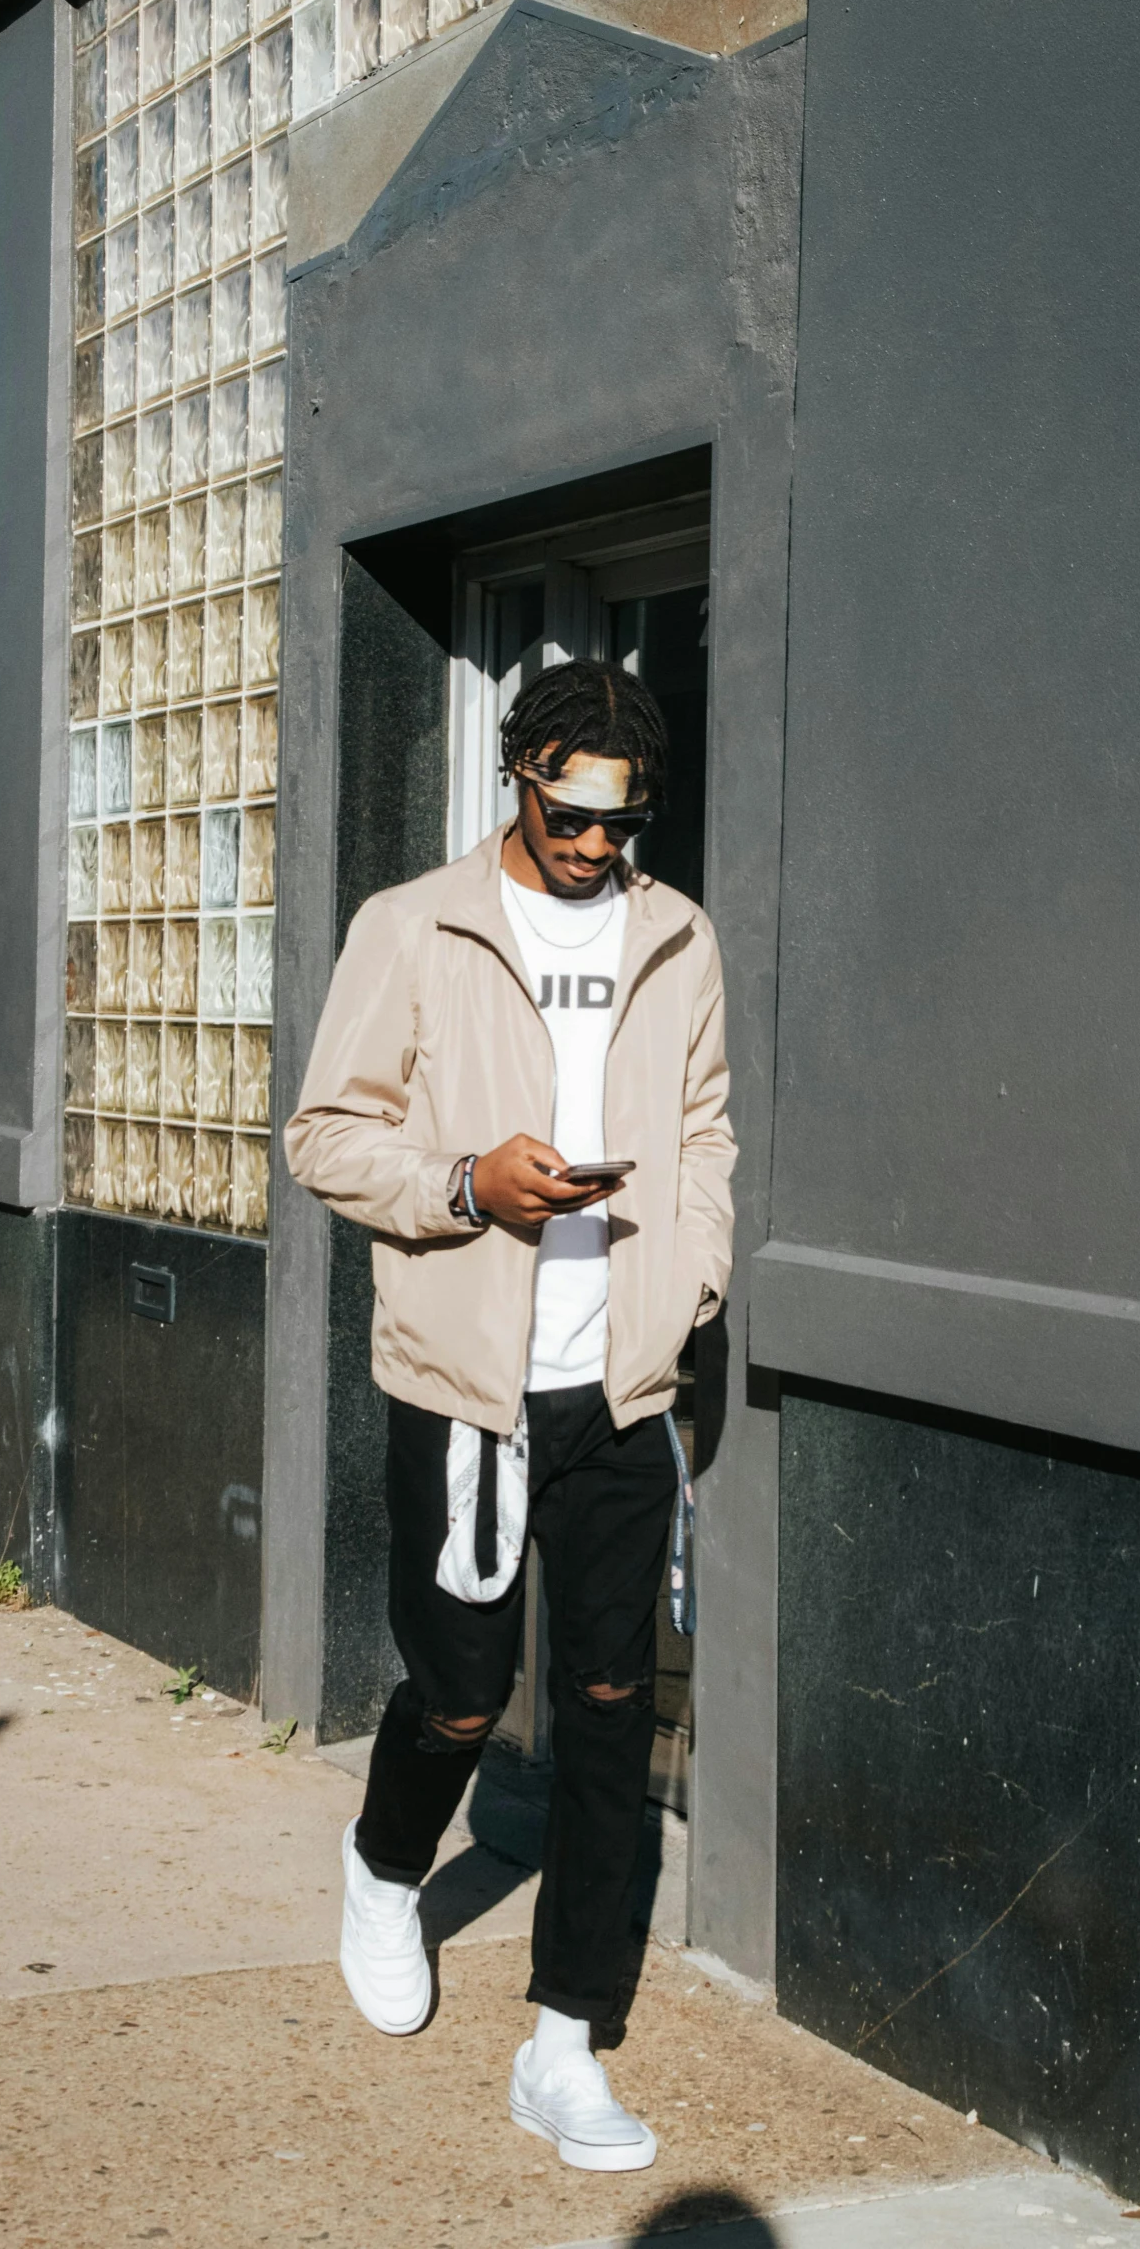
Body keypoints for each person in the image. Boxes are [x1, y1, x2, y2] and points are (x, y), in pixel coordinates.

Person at [284, 657, 735, 2172]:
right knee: (463, 1692)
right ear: (520, 775)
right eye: (571, 813)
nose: (597, 847)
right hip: (468, 1381)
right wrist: (466, 1183)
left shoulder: (677, 934)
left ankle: (564, 2044)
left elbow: (703, 1124)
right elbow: (324, 1136)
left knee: (613, 1704)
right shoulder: (413, 925)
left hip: (623, 1381)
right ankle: (384, 1859)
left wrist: (694, 1279)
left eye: (622, 821)